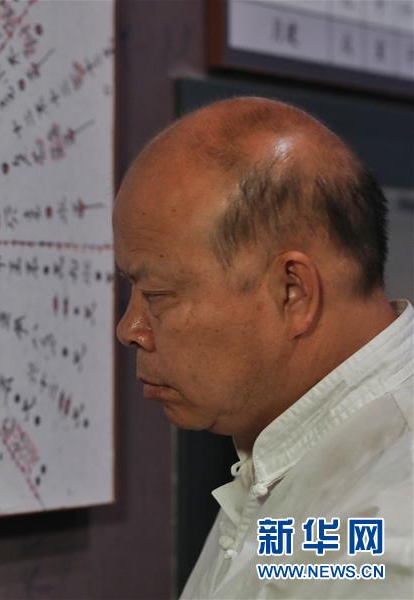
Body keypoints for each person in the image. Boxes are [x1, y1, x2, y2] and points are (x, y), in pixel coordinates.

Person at [113, 97, 412, 598]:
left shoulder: (390, 538)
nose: (130, 328)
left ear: (292, 292)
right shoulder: (286, 449)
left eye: (158, 295)